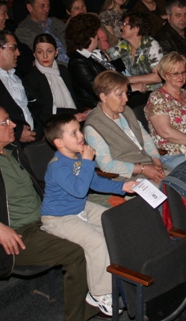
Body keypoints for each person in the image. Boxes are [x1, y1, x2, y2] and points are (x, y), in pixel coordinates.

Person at [0, 105, 99, 321]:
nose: (13, 125)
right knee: (78, 250)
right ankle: (80, 315)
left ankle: (103, 296)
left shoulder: (13, 150)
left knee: (104, 227)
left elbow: (33, 186)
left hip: (46, 218)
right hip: (17, 233)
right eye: (6, 122)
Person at [40, 113, 136, 317]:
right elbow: (79, 190)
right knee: (97, 243)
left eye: (79, 130)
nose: (81, 135)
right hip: (58, 218)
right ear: (59, 142)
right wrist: (87, 161)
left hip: (80, 208)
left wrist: (122, 187)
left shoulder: (77, 157)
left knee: (114, 223)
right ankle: (98, 294)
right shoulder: (57, 166)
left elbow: (94, 182)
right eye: (73, 133)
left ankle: (118, 274)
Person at [84, 71, 165, 182]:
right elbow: (107, 165)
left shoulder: (126, 111)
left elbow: (146, 139)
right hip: (127, 177)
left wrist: (157, 161)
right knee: (169, 189)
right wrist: (142, 169)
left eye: (126, 93)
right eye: (119, 95)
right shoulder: (94, 126)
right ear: (103, 97)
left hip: (148, 165)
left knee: (182, 181)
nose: (126, 99)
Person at [23, 34, 83, 124]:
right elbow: (40, 113)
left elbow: (74, 97)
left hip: (74, 115)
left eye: (49, 51)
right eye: (40, 52)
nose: (45, 56)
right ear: (34, 54)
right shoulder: (32, 78)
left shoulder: (63, 70)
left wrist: (83, 112)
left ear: (56, 52)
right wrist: (71, 118)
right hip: (53, 122)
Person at [105, 10, 163, 90]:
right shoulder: (123, 45)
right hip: (134, 91)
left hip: (154, 92)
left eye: (125, 24)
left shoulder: (151, 45)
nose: (121, 27)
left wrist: (128, 79)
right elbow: (106, 57)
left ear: (137, 28)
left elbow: (158, 77)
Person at [15, 0, 69, 64]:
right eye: (42, 6)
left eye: (48, 6)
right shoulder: (23, 30)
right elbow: (41, 58)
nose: (47, 10)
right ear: (30, 8)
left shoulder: (55, 21)